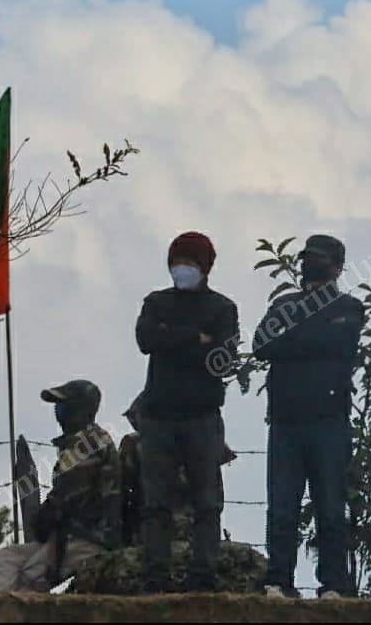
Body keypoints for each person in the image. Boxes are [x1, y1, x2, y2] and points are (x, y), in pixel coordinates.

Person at [253, 234, 364, 600]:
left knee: (331, 507)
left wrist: (293, 338)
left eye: (318, 259)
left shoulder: (350, 307)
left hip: (329, 421)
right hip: (286, 421)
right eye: (307, 258)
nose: (309, 265)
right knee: (282, 507)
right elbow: (261, 344)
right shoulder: (285, 303)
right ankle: (278, 579)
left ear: (337, 266)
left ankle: (334, 582)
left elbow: (340, 343)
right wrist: (308, 339)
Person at [134, 231, 240, 593]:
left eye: (190, 263)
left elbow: (222, 362)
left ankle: (203, 576)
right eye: (177, 262)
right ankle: (155, 577)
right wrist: (196, 338)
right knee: (155, 505)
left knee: (206, 504)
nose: (182, 269)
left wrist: (174, 338)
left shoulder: (222, 309)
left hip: (202, 418)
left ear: (206, 268)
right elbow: (146, 339)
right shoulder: (156, 302)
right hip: (159, 418)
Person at [0, 379, 120, 591]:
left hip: (89, 539)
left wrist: (44, 518)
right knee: (7, 558)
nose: (58, 411)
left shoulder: (87, 443)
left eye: (63, 405)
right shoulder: (80, 441)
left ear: (79, 408)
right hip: (68, 536)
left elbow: (63, 499)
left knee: (28, 579)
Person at [118, 391, 238, 548]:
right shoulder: (204, 442)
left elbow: (122, 488)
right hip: (190, 528)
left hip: (155, 527)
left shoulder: (137, 444)